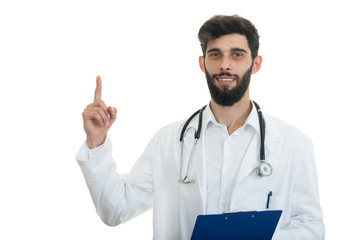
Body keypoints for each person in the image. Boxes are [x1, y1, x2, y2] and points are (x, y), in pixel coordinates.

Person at [76, 15, 325, 239]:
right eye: (215, 54)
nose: (225, 65)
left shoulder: (293, 144)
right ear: (202, 63)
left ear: (256, 64)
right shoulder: (169, 141)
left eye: (237, 54)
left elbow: (311, 227)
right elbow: (115, 210)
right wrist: (96, 142)